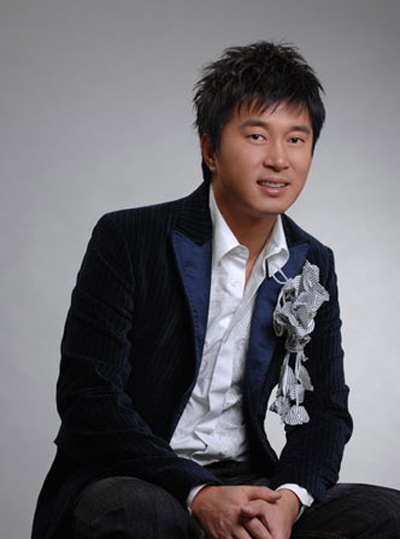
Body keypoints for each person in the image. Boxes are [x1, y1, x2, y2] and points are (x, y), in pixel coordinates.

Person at [31, 41, 400, 539]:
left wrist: (288, 500)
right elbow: (88, 396)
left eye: (296, 139)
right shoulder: (129, 238)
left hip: (249, 479)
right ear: (210, 150)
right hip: (135, 475)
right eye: (257, 136)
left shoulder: (312, 263)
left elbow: (325, 411)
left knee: (386, 515)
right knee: (141, 515)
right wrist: (197, 491)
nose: (279, 159)